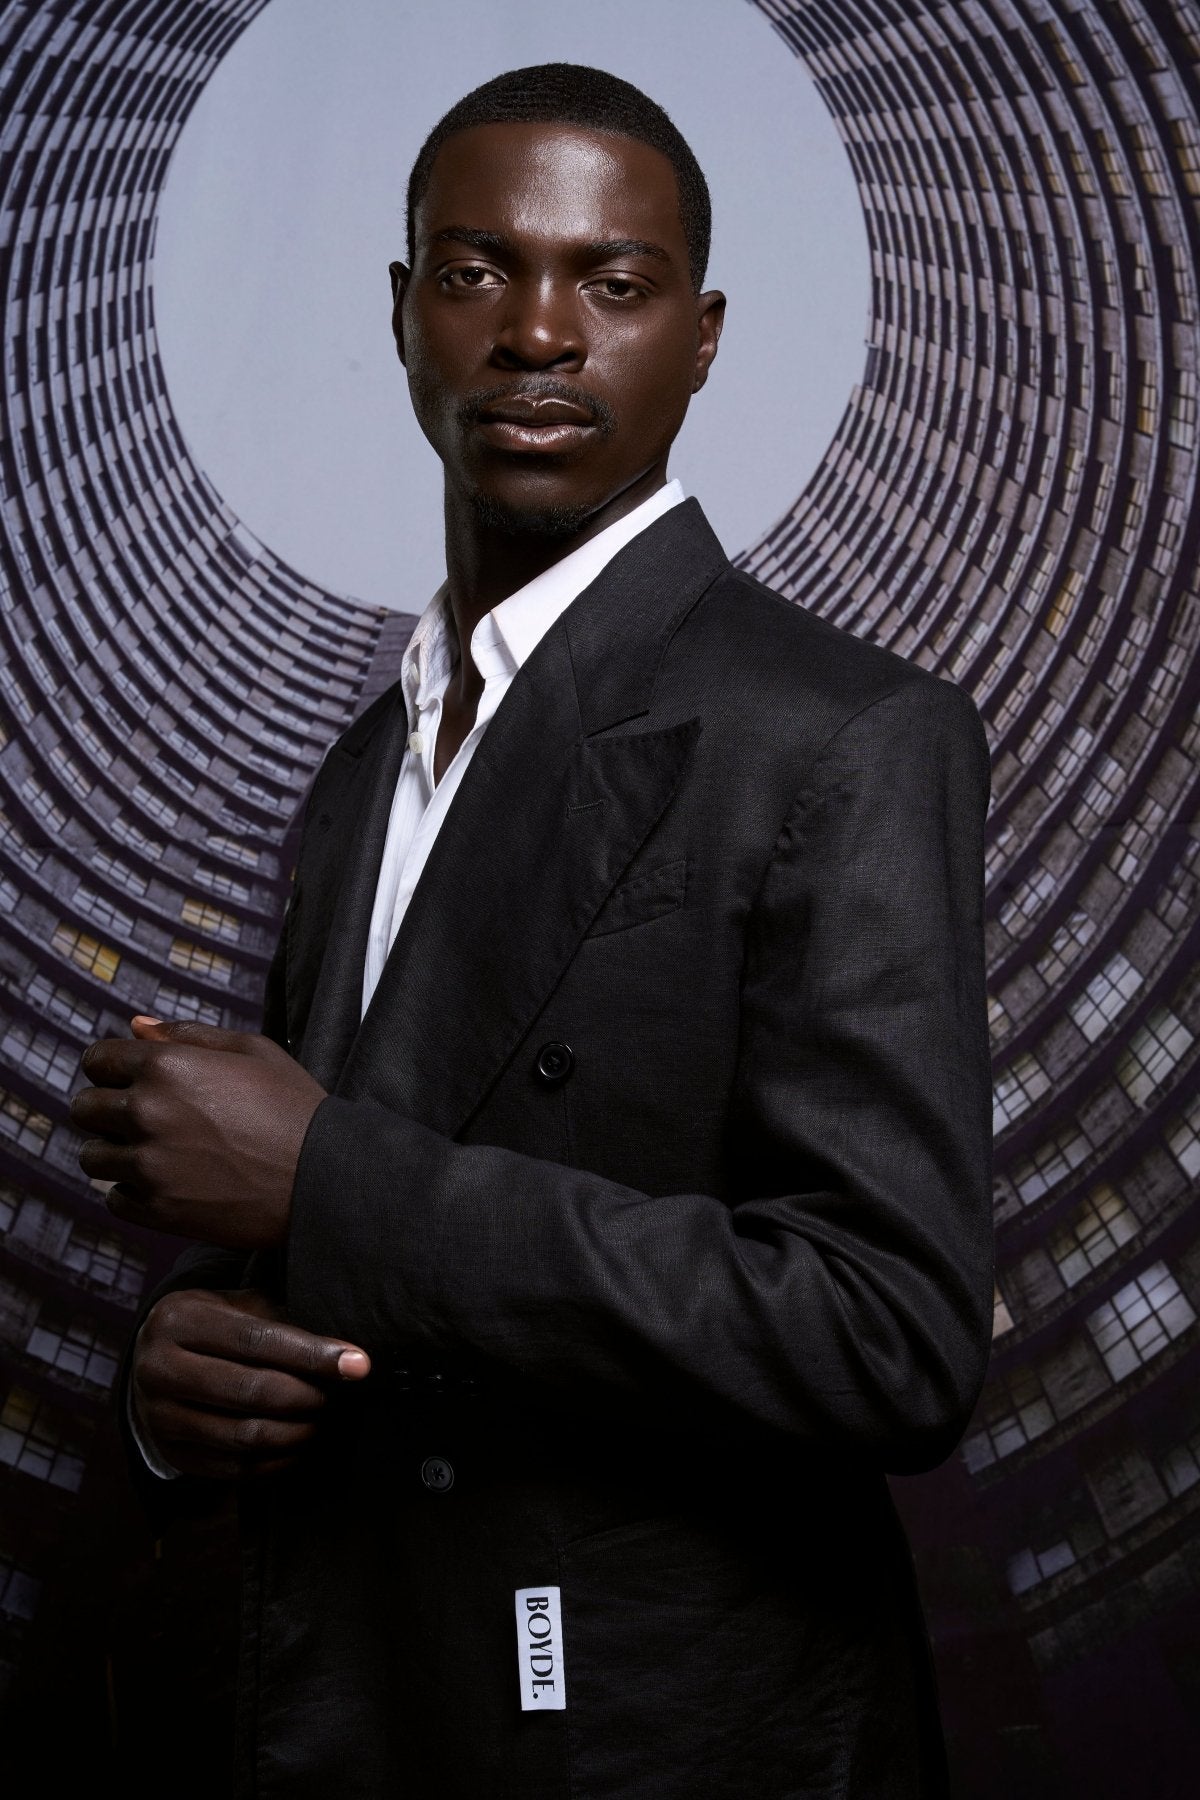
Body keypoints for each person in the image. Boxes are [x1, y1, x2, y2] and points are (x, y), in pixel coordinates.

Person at [75, 62, 994, 1800]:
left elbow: (888, 1334)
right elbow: (352, 1196)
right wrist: (181, 1378)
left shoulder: (845, 734)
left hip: (656, 1739)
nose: (541, 333)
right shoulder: (367, 762)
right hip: (346, 1693)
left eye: (614, 283)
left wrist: (328, 1183)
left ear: (702, 339)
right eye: (477, 271)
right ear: (403, 313)